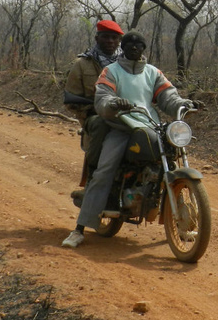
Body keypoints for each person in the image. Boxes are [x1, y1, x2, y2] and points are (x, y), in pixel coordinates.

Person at [62, 30, 201, 248]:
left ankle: (181, 224)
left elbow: (168, 96)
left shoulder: (153, 72)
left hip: (149, 125)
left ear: (144, 49)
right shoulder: (111, 71)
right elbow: (103, 98)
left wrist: (184, 104)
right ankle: (80, 229)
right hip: (120, 126)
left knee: (168, 159)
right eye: (130, 45)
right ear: (123, 48)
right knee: (104, 170)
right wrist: (114, 104)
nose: (134, 48)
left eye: (139, 46)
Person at [63, 19, 123, 187]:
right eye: (106, 37)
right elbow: (71, 99)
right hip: (96, 117)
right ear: (97, 39)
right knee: (100, 125)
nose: (110, 41)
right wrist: (89, 113)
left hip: (128, 116)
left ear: (119, 41)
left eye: (114, 38)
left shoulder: (127, 64)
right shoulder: (82, 64)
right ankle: (93, 180)